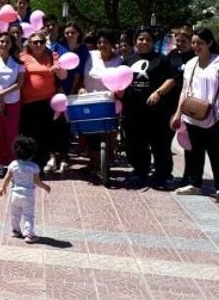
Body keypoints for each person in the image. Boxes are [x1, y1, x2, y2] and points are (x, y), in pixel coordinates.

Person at [171, 28, 219, 203]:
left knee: (214, 152)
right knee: (196, 151)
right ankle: (195, 184)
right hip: (192, 114)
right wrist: (178, 114)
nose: (196, 46)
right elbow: (185, 90)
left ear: (209, 43)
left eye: (200, 43)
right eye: (193, 43)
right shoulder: (191, 63)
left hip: (213, 115)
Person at [120, 27, 176, 188]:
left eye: (148, 40)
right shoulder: (128, 60)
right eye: (141, 39)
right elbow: (121, 82)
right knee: (136, 144)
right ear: (135, 41)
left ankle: (163, 175)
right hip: (133, 110)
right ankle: (140, 172)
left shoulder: (162, 60)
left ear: (153, 42)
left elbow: (172, 79)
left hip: (157, 111)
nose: (144, 42)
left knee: (160, 145)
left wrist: (159, 93)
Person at [20, 31, 67, 173]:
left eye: (41, 41)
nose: (38, 44)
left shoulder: (52, 56)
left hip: (48, 102)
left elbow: (63, 76)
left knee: (46, 135)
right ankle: (31, 165)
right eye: (35, 42)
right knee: (30, 136)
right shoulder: (23, 58)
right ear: (30, 44)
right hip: (28, 103)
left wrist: (58, 69)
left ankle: (42, 165)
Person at [79, 29, 122, 175]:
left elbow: (122, 80)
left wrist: (119, 91)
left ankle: (107, 162)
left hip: (110, 102)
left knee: (110, 133)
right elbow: (82, 76)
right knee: (91, 134)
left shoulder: (119, 61)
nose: (102, 45)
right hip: (90, 100)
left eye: (106, 42)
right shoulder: (91, 56)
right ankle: (93, 164)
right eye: (100, 42)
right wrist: (82, 88)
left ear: (112, 45)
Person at [50, 21, 91, 173]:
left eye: (72, 32)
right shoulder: (57, 47)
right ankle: (54, 155)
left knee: (67, 125)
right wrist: (59, 87)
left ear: (78, 34)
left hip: (73, 89)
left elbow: (79, 72)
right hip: (56, 89)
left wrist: (71, 90)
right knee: (55, 124)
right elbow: (54, 67)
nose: (69, 35)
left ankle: (65, 156)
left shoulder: (83, 50)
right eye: (67, 32)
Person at [0, 33, 25, 177]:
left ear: (11, 44)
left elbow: (19, 83)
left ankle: (12, 164)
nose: (3, 44)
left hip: (13, 102)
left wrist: (3, 95)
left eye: (7, 42)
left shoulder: (18, 63)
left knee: (12, 134)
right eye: (1, 41)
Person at [0, 136, 51, 244]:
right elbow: (37, 182)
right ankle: (30, 235)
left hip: (14, 195)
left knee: (14, 213)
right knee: (29, 215)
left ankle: (15, 230)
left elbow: (7, 177)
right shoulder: (34, 167)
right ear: (32, 154)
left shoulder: (13, 164)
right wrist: (46, 187)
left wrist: (2, 187)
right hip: (28, 195)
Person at [166, 26, 196, 186]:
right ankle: (166, 172)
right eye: (177, 41)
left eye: (184, 41)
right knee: (165, 139)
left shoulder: (195, 57)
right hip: (170, 103)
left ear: (191, 41)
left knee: (188, 142)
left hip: (189, 104)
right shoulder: (172, 55)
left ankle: (188, 175)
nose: (180, 44)